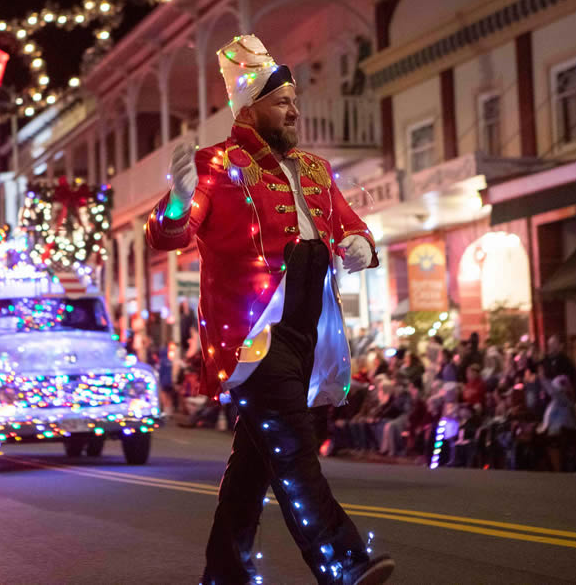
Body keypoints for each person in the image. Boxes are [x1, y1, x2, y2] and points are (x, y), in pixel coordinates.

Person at [145, 34, 393, 584]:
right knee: (292, 445)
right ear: (250, 106)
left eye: (295, 100)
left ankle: (224, 573)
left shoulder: (314, 168)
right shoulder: (216, 164)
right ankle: (344, 562)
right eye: (282, 102)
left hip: (308, 328)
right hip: (253, 334)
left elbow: (351, 224)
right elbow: (168, 235)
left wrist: (360, 244)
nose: (295, 110)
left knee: (253, 466)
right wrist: (180, 201)